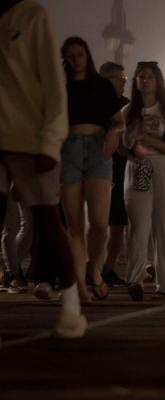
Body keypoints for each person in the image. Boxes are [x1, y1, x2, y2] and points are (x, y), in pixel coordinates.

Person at [0, 0, 86, 337]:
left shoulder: (32, 16)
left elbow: (53, 82)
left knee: (48, 221)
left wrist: (50, 142)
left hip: (29, 138)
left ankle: (71, 307)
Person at [59, 36, 124, 302]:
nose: (76, 60)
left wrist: (113, 132)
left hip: (99, 150)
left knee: (99, 222)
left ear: (87, 56)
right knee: (74, 226)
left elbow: (119, 121)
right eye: (71, 56)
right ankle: (80, 287)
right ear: (65, 59)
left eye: (80, 55)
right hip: (68, 150)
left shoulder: (102, 86)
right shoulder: (59, 87)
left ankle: (94, 271)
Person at [122, 61, 165, 300]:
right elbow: (122, 147)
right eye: (141, 77)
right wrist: (131, 143)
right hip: (139, 167)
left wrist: (150, 140)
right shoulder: (128, 112)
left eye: (150, 77)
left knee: (164, 224)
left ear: (158, 81)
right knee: (139, 225)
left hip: (162, 166)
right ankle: (135, 279)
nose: (144, 81)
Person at [99, 60, 129, 287]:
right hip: (97, 168)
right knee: (97, 222)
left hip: (122, 169)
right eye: (120, 79)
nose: (124, 83)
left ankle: (108, 267)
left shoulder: (126, 105)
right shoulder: (94, 102)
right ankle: (92, 267)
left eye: (125, 79)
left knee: (118, 223)